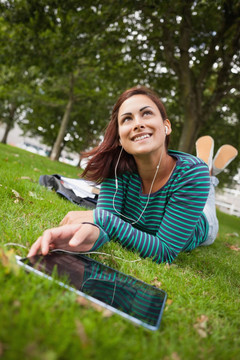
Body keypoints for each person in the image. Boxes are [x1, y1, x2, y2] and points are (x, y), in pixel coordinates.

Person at [28, 86, 238, 263]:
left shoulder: (191, 175)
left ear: (166, 127)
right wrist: (90, 232)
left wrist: (102, 219)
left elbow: (164, 251)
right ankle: (208, 166)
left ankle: (209, 171)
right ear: (120, 138)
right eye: (127, 119)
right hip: (185, 182)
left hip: (203, 223)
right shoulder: (117, 167)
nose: (137, 123)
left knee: (206, 186)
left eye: (146, 113)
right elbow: (106, 221)